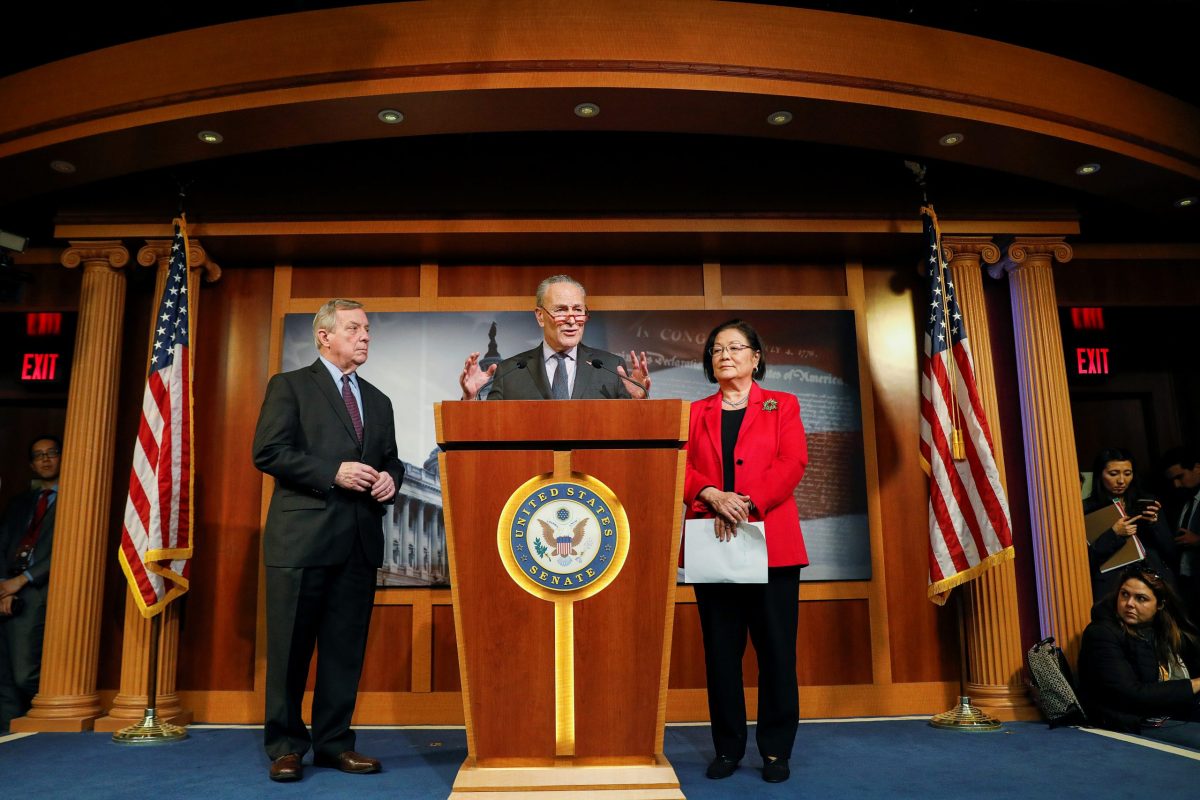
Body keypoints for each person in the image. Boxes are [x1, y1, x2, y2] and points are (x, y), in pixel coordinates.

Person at [252, 299, 404, 782]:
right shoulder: (291, 386)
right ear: (324, 336)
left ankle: (335, 744)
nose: (365, 337)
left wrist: (391, 481)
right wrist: (331, 472)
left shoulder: (379, 400)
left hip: (358, 543)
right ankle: (286, 744)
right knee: (291, 650)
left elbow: (392, 460)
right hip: (301, 542)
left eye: (367, 330)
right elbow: (268, 451)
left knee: (344, 652)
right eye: (354, 328)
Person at [682, 319, 808, 783]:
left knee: (776, 651)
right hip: (712, 543)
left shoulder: (783, 405)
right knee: (721, 652)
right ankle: (729, 748)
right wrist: (712, 494)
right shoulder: (695, 412)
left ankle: (776, 750)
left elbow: (792, 462)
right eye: (716, 349)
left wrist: (745, 502)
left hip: (772, 544)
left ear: (756, 357)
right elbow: (683, 466)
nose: (724, 355)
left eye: (735, 347)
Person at [459, 274, 651, 400]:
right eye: (561, 310)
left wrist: (639, 402)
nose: (572, 320)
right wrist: (470, 398)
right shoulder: (510, 371)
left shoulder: (611, 367)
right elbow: (486, 432)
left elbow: (631, 434)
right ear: (540, 316)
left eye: (578, 310)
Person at [1077, 565, 1200, 750]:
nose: (1129, 604)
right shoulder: (1101, 634)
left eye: (1140, 598)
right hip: (1134, 722)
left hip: (1171, 712)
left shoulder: (1164, 630)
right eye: (1124, 594)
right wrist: (1196, 684)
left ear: (1160, 605)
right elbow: (1132, 694)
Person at [0, 435, 60, 734]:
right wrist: (3, 585)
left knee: (26, 674)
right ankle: (11, 732)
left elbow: (66, 549)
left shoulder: (74, 500)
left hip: (38, 588)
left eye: (51, 453)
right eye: (38, 455)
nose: (45, 460)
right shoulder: (20, 502)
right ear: (31, 463)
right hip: (8, 586)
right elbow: (3, 543)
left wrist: (21, 581)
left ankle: (52, 715)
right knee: (6, 676)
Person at [1083, 448, 1177, 602]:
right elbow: (1086, 560)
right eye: (1113, 474)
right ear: (1100, 475)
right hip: (1112, 587)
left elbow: (1171, 551)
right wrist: (1114, 534)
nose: (1121, 481)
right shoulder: (1087, 509)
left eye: (1128, 473)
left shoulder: (1146, 502)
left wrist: (1154, 524)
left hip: (1153, 581)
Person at [1162, 446, 1200, 623]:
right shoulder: (1182, 501)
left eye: (1180, 476)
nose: (1176, 484)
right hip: (1186, 584)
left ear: (1197, 468)